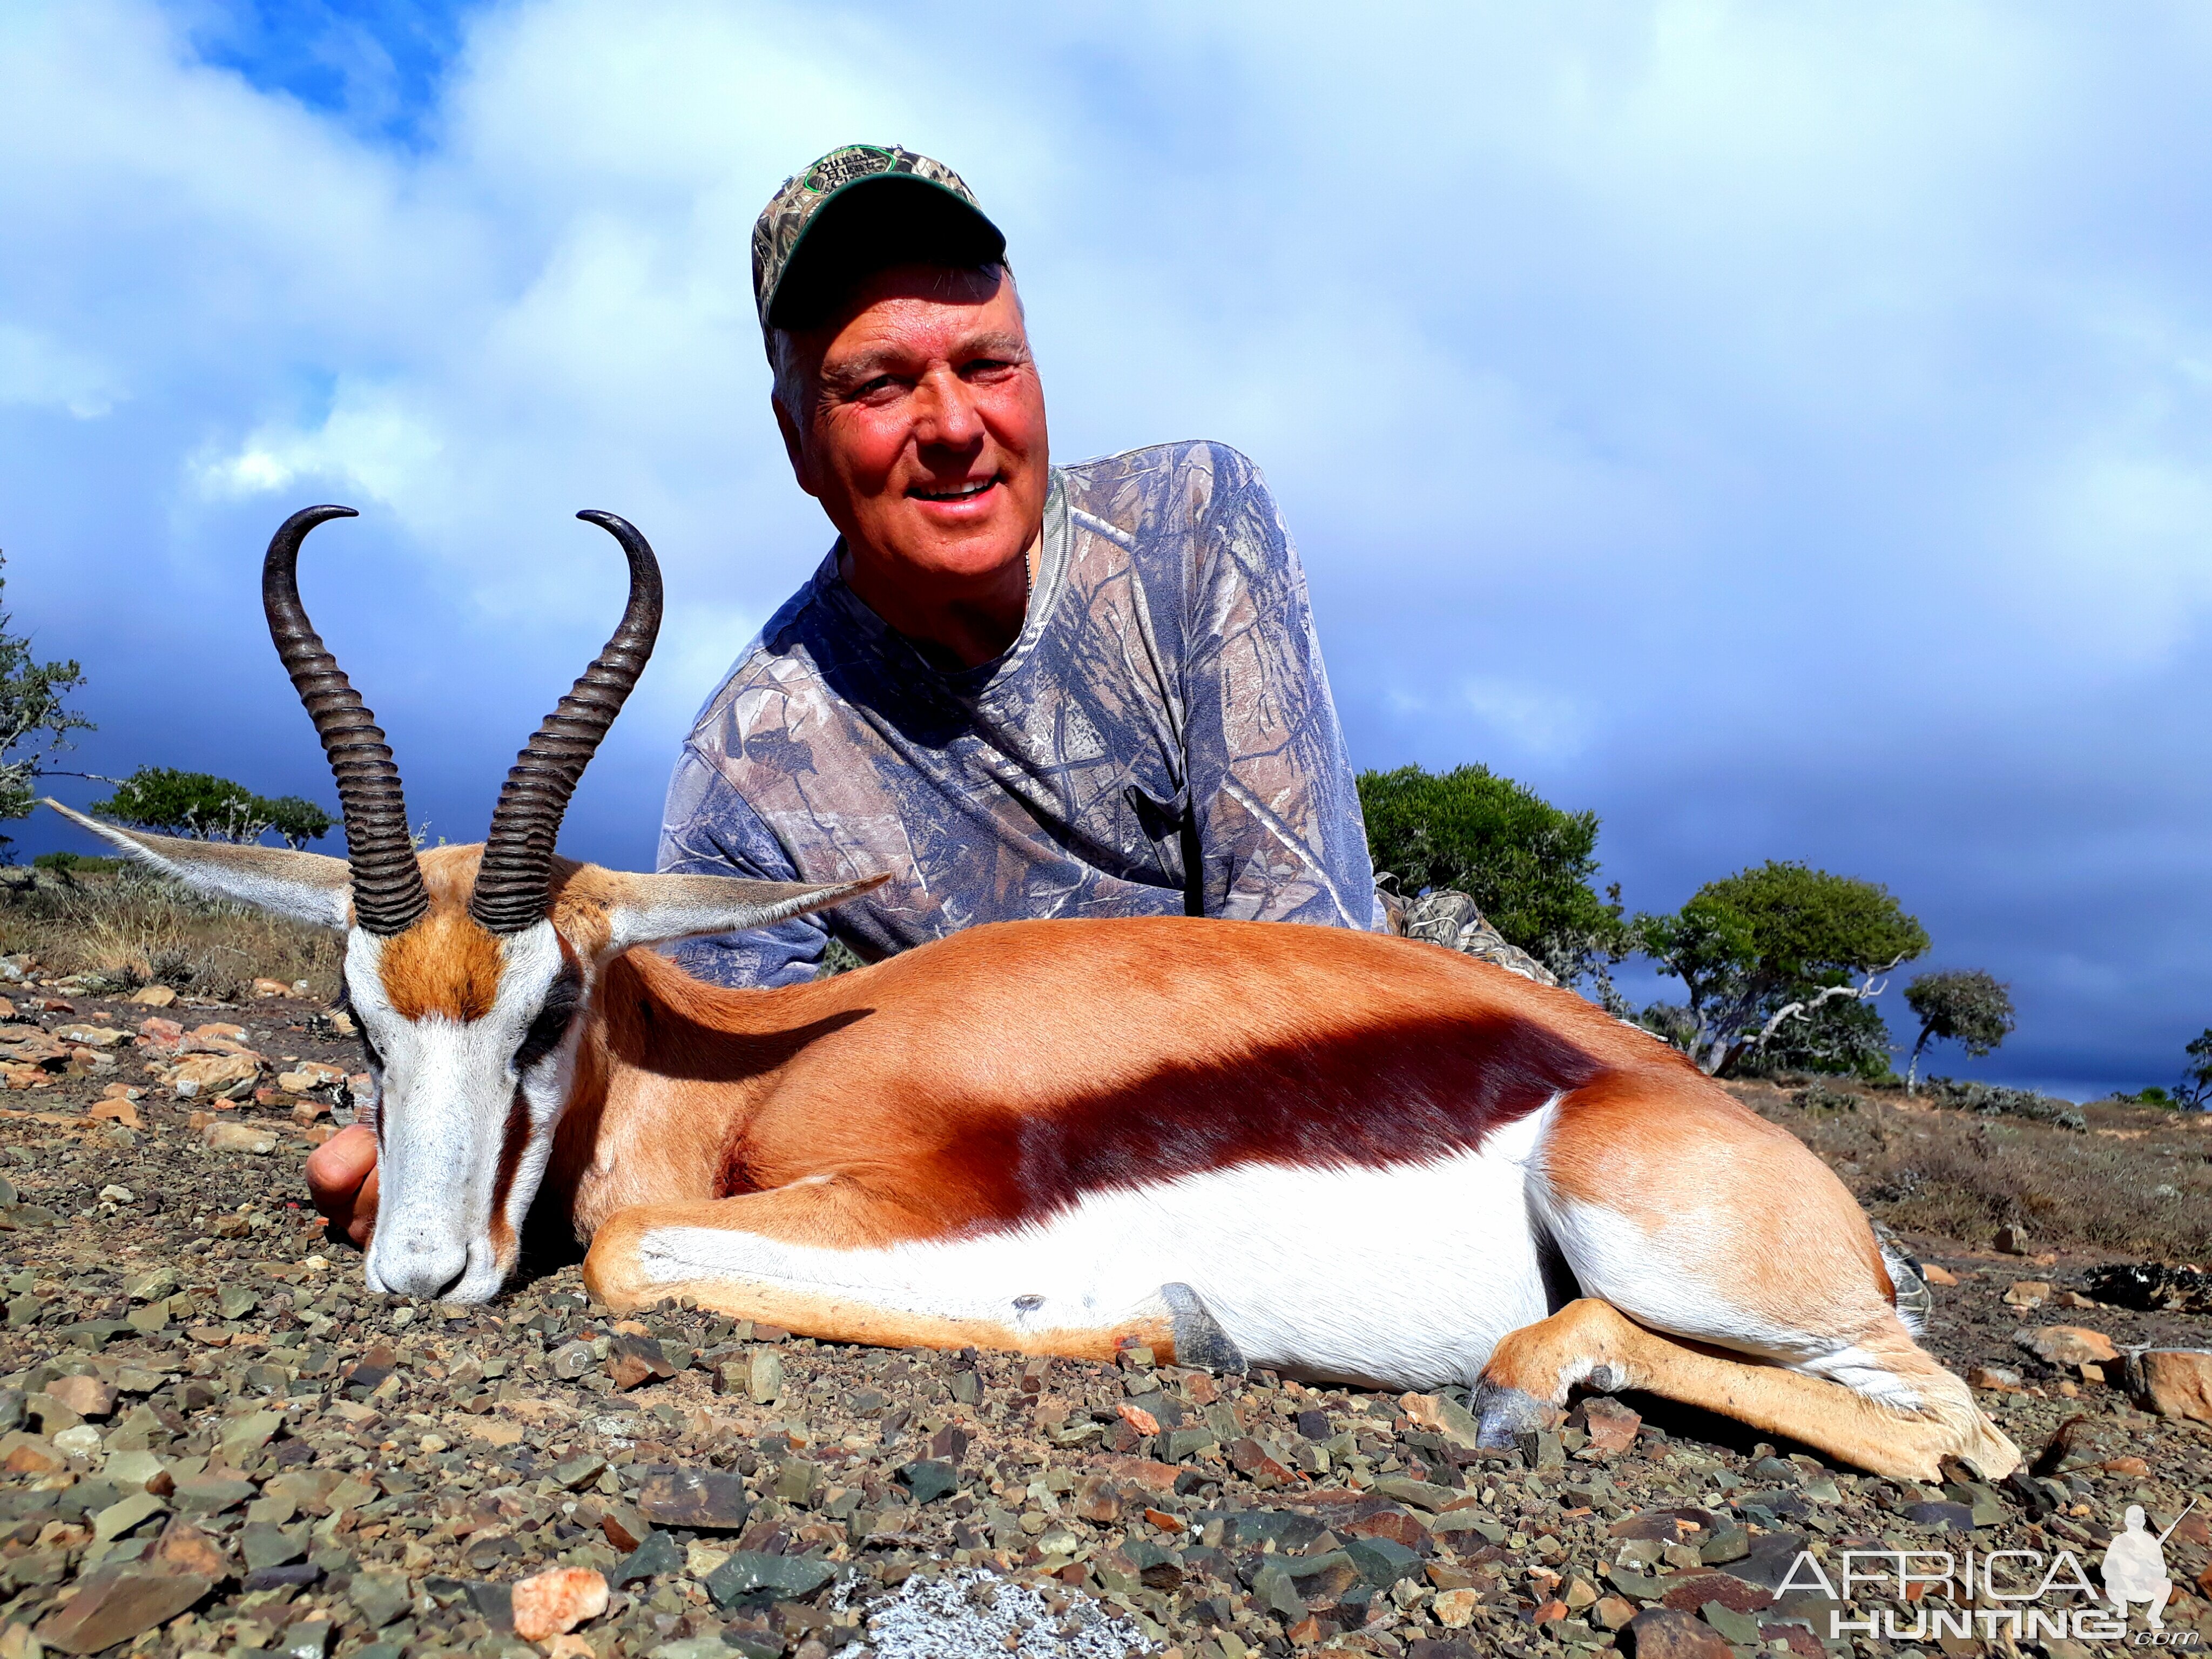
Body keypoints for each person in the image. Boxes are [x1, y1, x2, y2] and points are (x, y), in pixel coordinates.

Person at [307, 144, 1377, 1244]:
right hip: (1062, 1172)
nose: (955, 425)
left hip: (1348, 1074)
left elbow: (1318, 966)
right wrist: (446, 1148)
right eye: (875, 384)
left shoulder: (1189, 522)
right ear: (797, 443)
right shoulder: (752, 755)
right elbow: (691, 1114)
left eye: (989, 365)